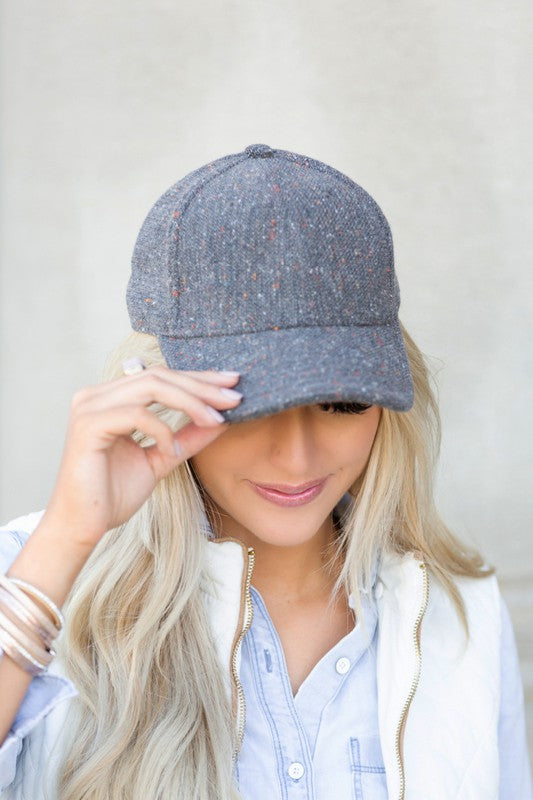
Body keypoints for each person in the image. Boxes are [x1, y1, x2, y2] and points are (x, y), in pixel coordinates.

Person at [0, 142, 530, 800]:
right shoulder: (33, 577)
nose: (297, 458)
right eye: (249, 408)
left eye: (341, 402)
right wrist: (70, 537)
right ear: (159, 392)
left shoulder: (463, 616)